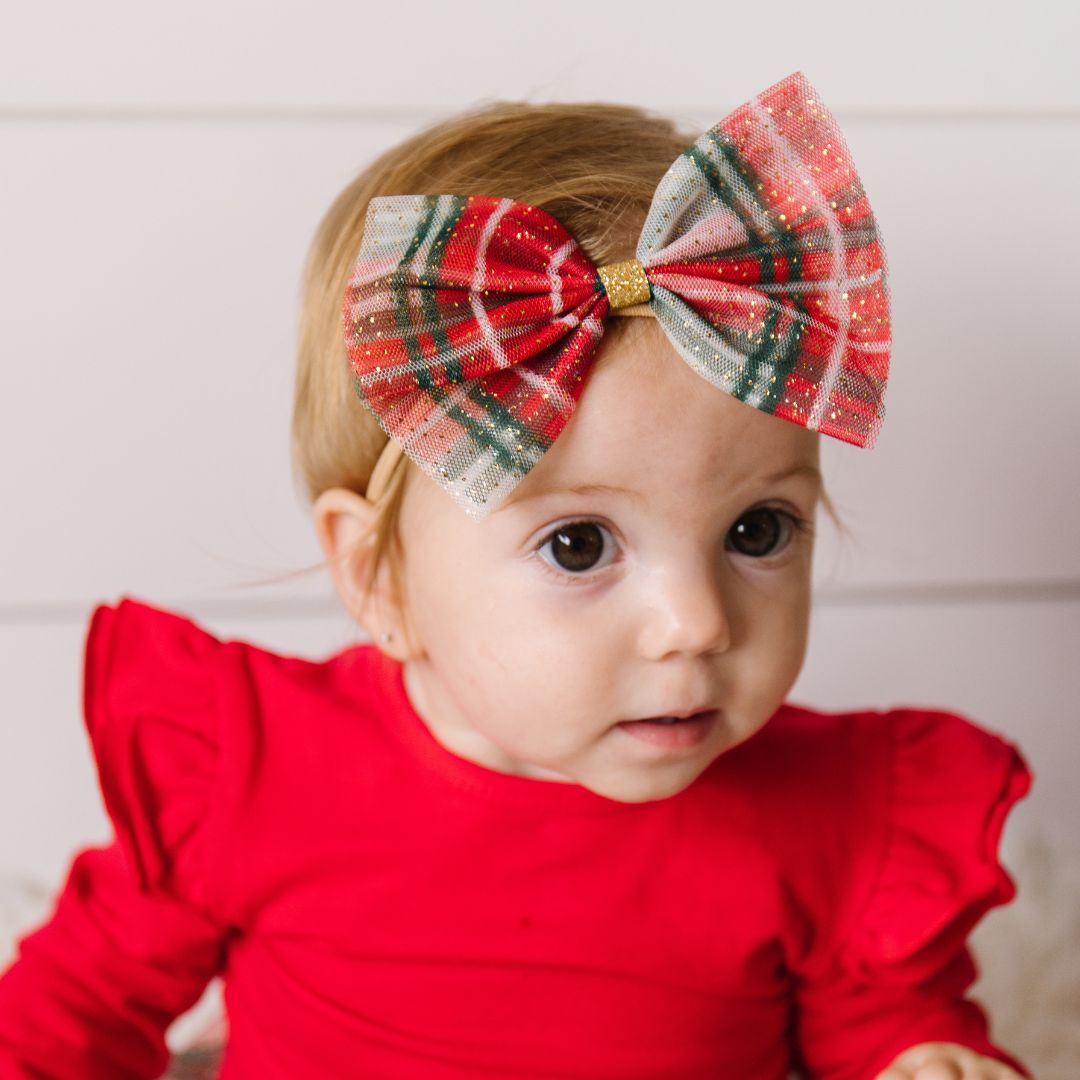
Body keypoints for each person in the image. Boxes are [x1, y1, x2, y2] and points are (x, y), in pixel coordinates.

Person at [0, 70, 1033, 1079]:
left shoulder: (831, 818)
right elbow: (68, 1016)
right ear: (378, 579)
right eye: (578, 545)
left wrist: (921, 1054)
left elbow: (882, 1006)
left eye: (758, 529)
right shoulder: (253, 775)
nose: (695, 624)